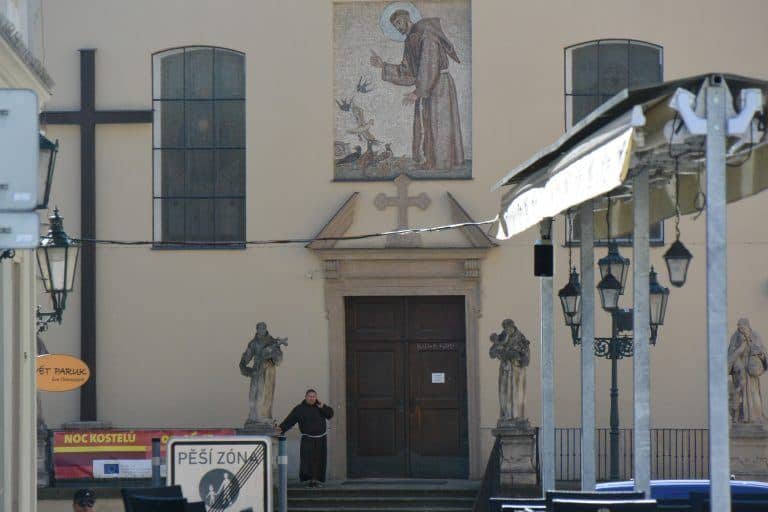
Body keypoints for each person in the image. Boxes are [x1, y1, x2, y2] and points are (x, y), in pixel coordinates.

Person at [370, 8, 465, 170]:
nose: (398, 27)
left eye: (399, 23)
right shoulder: (411, 39)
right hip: (428, 84)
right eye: (395, 25)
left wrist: (418, 92)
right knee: (426, 122)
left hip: (439, 85)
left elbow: (430, 65)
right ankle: (430, 161)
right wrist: (383, 66)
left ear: (407, 18)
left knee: (437, 122)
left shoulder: (426, 34)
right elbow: (409, 71)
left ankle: (440, 163)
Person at [278, 389, 334, 487]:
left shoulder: (320, 407)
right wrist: (280, 429)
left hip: (321, 439)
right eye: (310, 396)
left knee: (319, 460)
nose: (312, 398)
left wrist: (323, 407)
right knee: (308, 461)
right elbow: (289, 421)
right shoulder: (299, 409)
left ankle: (316, 481)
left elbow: (330, 414)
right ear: (306, 397)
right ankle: (309, 481)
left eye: (314, 396)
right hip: (308, 439)